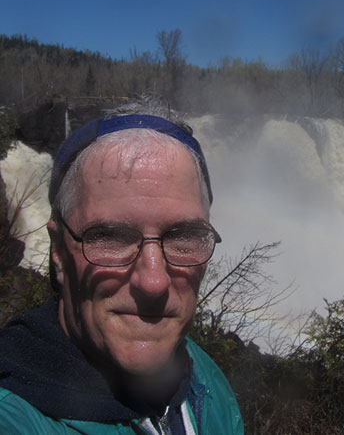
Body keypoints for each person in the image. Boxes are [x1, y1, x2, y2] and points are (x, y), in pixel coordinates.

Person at [0, 96, 244, 434]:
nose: (154, 281)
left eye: (183, 236)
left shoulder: (204, 379)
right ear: (58, 250)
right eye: (111, 237)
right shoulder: (13, 417)